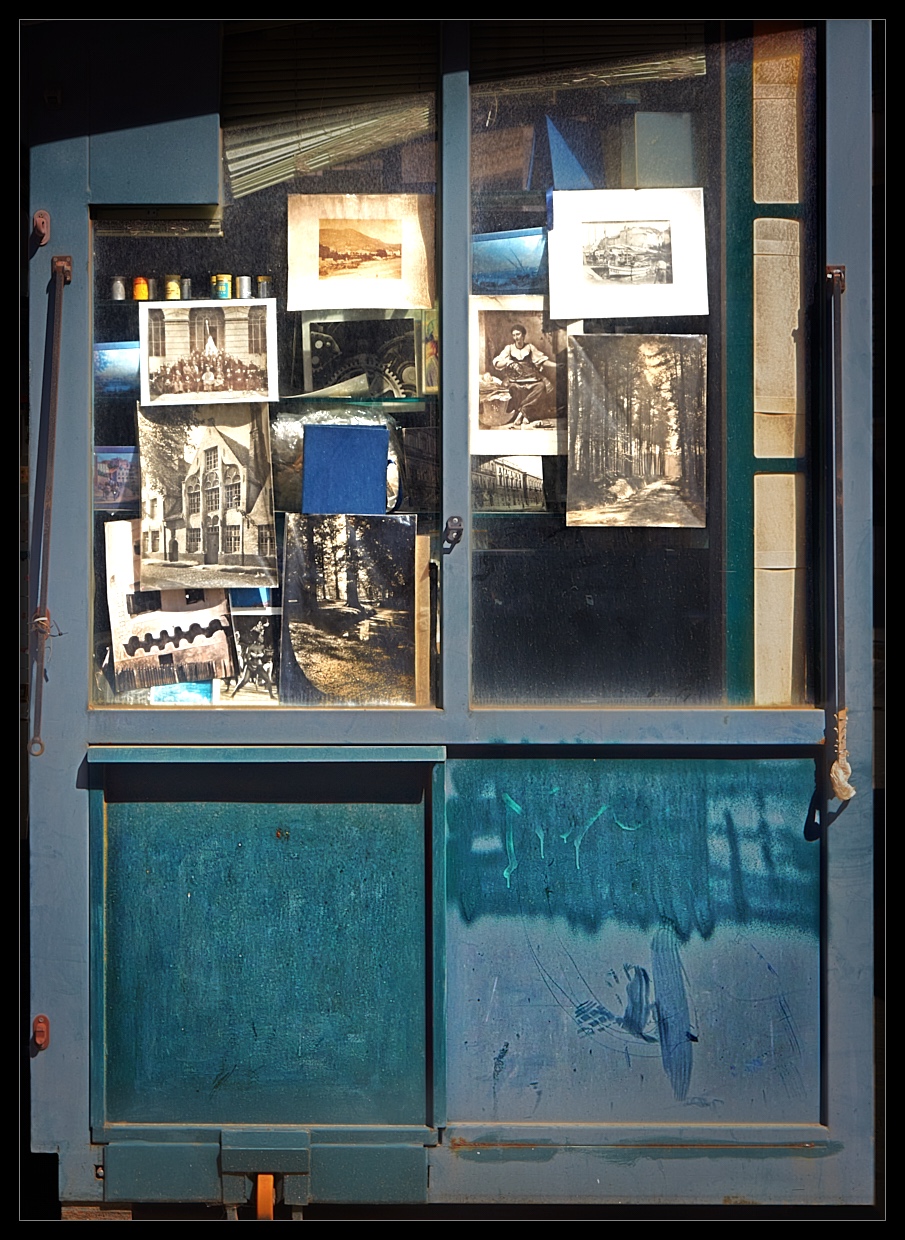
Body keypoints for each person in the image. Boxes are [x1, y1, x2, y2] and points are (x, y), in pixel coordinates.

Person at [492, 324, 552, 426]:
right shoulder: (509, 349)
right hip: (514, 380)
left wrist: (557, 365)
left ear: (523, 335)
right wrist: (507, 362)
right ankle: (523, 414)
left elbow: (542, 361)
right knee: (511, 387)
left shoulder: (530, 348)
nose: (516, 337)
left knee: (541, 386)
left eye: (518, 334)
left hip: (531, 380)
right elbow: (497, 363)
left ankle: (522, 412)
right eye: (514, 335)